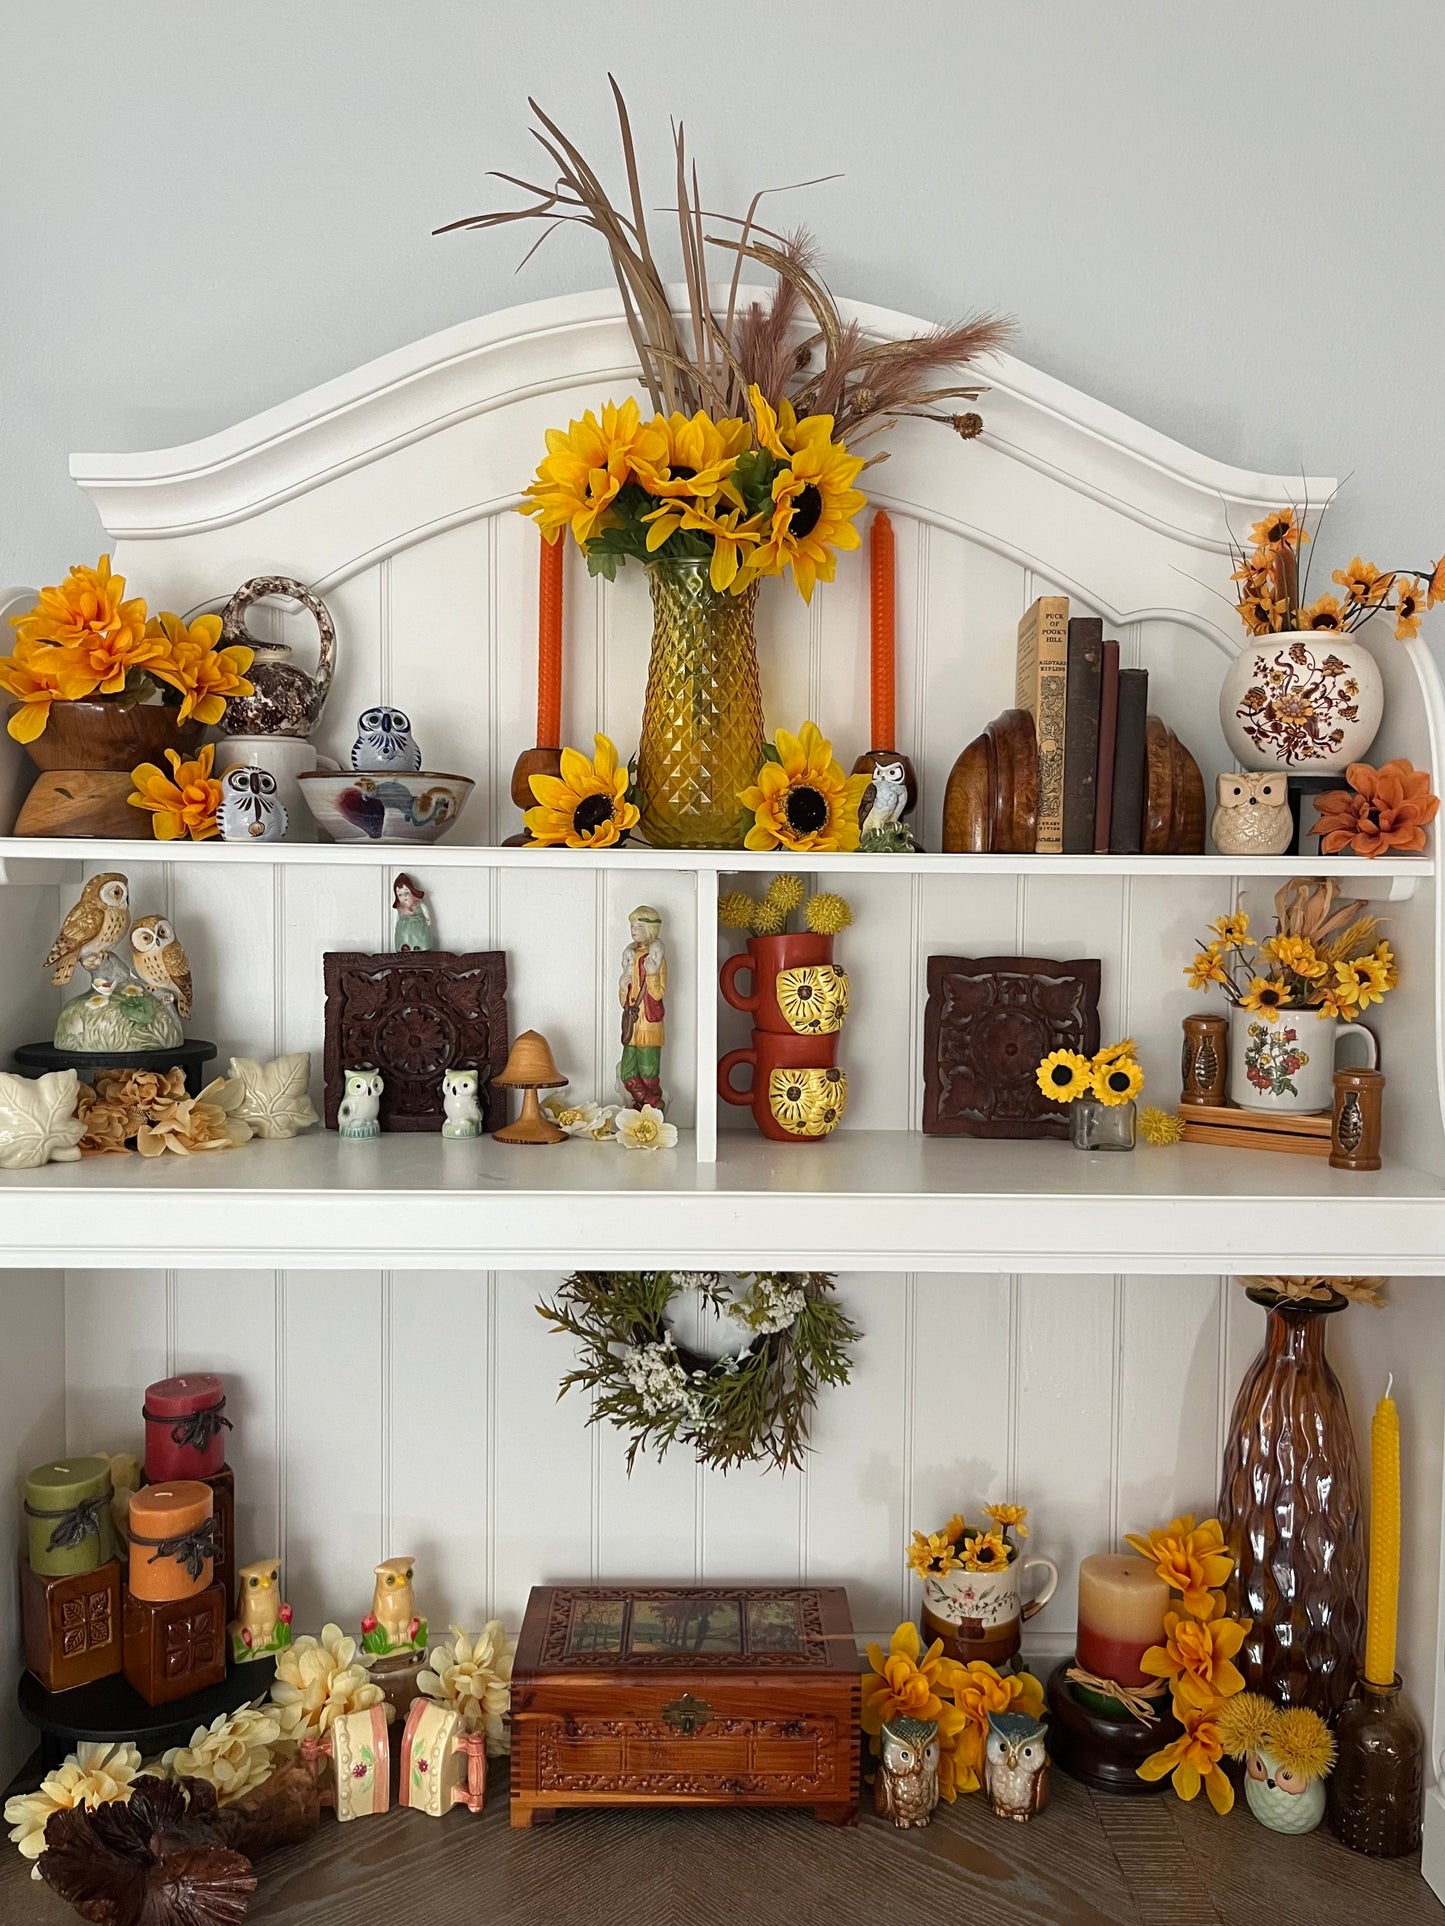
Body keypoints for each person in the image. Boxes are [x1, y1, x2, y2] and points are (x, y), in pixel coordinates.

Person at [618, 904, 665, 1111]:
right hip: (633, 1026)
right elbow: (625, 1003)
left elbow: (658, 994)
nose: (633, 930)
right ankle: (652, 1103)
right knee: (627, 1072)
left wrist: (652, 973)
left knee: (648, 1071)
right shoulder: (629, 957)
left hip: (649, 1025)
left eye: (638, 926)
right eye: (632, 926)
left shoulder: (656, 958)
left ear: (650, 929)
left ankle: (648, 1108)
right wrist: (622, 988)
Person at [392, 874, 435, 952]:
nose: (404, 897)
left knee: (420, 937)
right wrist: (396, 924)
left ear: (412, 891)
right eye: (400, 895)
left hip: (418, 926)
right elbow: (397, 917)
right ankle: (405, 947)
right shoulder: (400, 908)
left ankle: (418, 947)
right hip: (403, 929)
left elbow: (424, 908)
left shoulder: (418, 903)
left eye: (407, 893)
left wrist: (428, 919)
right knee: (404, 938)